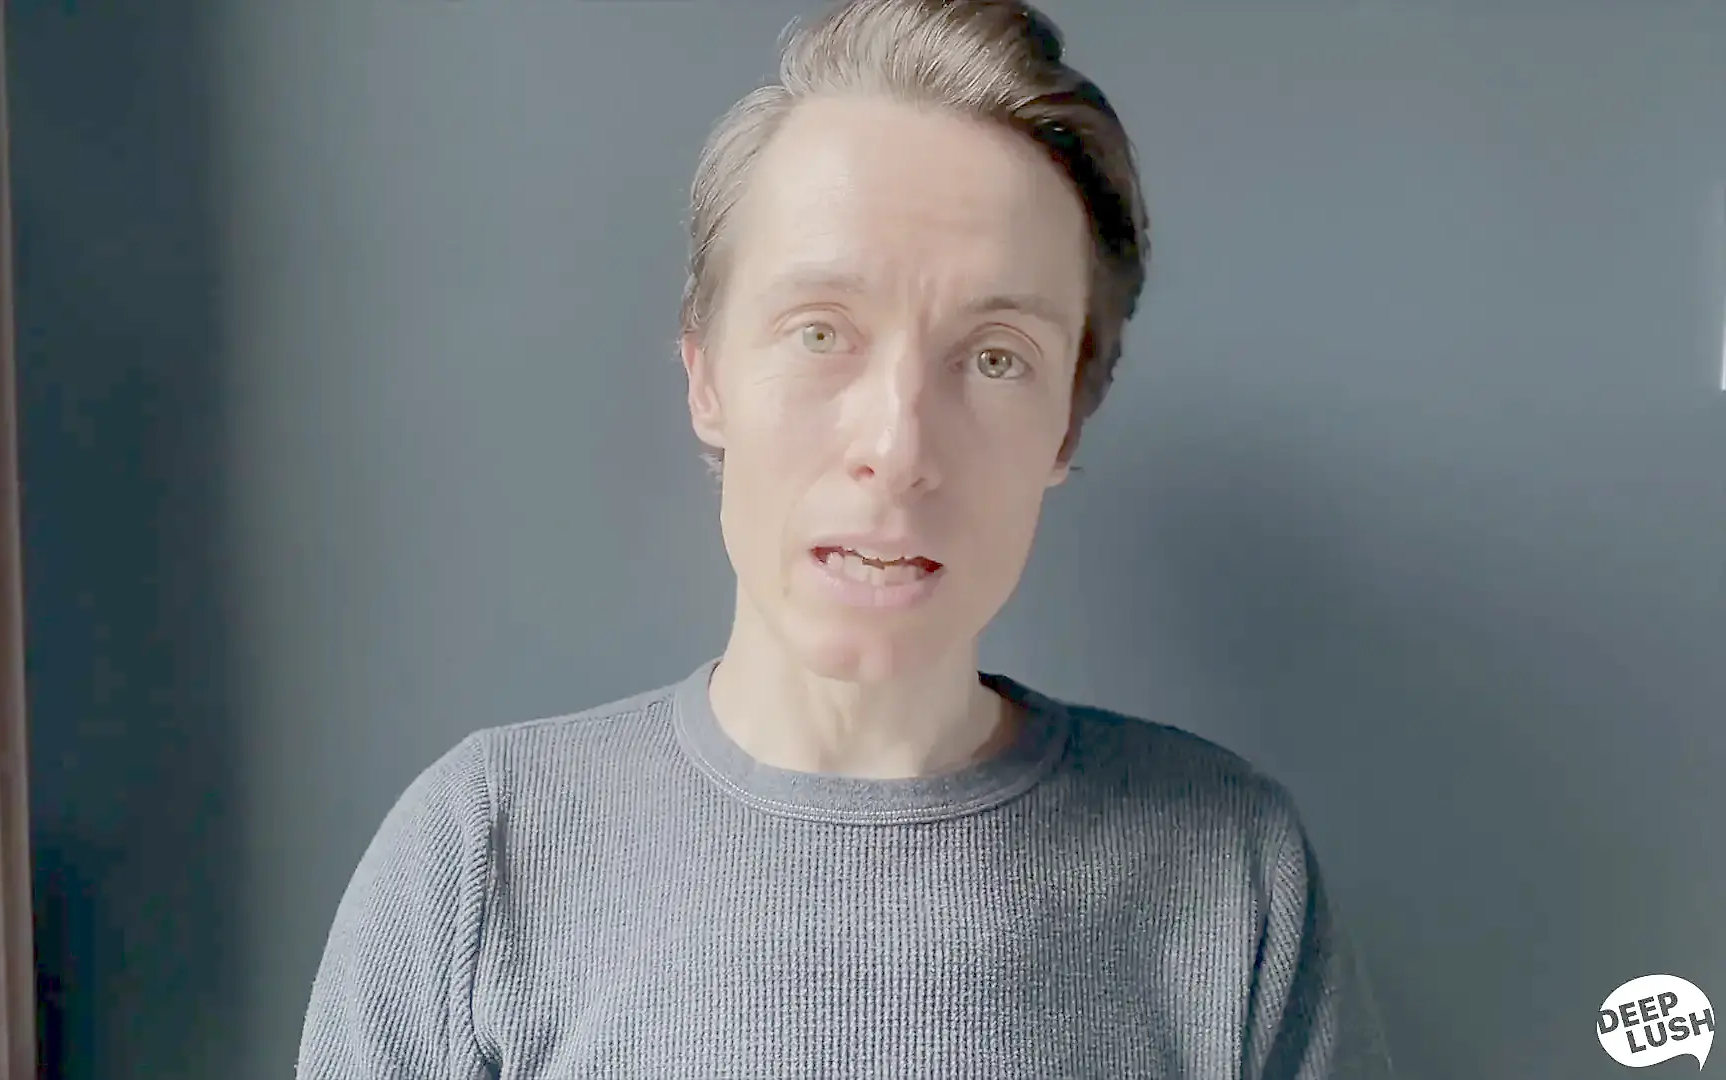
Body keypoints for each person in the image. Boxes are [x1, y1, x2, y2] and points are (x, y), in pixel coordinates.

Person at [297, 0, 1396, 1076]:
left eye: (996, 356)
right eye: (821, 332)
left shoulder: (1231, 872)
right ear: (707, 378)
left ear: (1066, 422)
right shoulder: (479, 857)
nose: (898, 446)